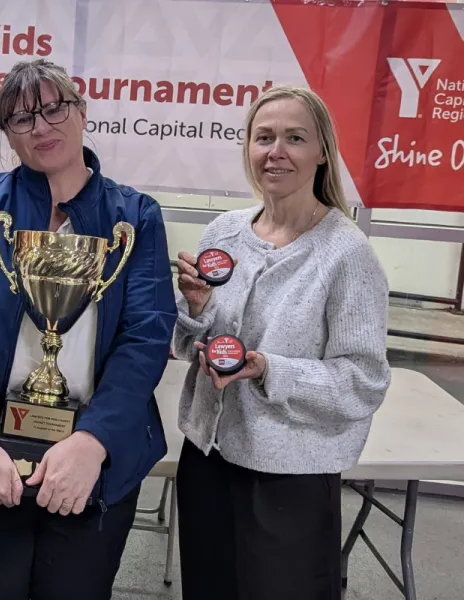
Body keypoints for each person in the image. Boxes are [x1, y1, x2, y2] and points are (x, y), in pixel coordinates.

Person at [0, 59, 176, 600]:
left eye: (53, 107)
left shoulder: (136, 215)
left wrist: (93, 441)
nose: (39, 126)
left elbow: (146, 336)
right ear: (8, 136)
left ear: (81, 112)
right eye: (19, 118)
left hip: (92, 460)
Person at [170, 85, 391, 600]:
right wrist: (197, 313)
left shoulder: (347, 254)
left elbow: (363, 382)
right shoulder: (222, 233)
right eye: (264, 137)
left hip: (289, 477)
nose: (277, 151)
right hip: (207, 458)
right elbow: (186, 346)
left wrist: (270, 369)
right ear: (247, 147)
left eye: (295, 138)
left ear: (322, 153)